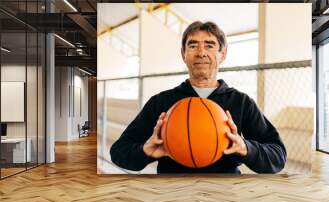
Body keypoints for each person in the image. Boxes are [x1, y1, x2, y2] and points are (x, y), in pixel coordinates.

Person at [110, 21, 286, 174]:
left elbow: (277, 157)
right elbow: (119, 152)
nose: (201, 52)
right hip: (171, 194)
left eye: (209, 45)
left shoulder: (241, 102)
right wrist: (145, 150)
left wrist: (246, 147)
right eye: (193, 45)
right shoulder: (161, 102)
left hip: (226, 194)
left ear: (222, 55)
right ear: (183, 55)